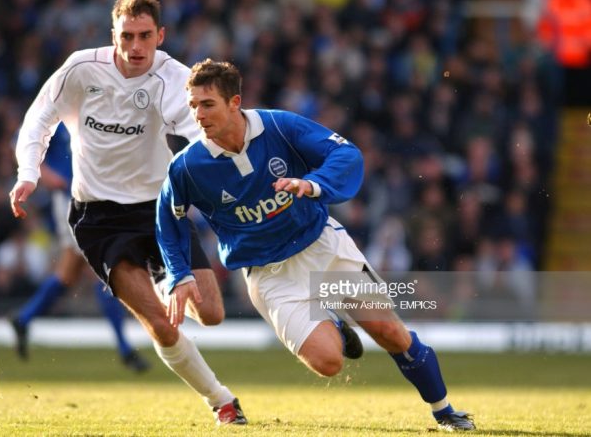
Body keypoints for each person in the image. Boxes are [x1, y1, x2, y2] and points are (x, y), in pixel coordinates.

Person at [156, 59, 476, 432]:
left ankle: (444, 410)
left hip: (322, 247)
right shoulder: (187, 167)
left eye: (207, 104)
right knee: (329, 362)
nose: (198, 114)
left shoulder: (278, 125)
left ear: (234, 102)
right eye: (192, 105)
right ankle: (338, 330)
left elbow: (346, 155)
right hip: (270, 275)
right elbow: (168, 218)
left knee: (390, 333)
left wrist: (311, 184)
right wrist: (179, 274)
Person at [9, 0, 246, 425]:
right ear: (113, 35)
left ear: (160, 36)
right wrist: (28, 172)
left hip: (159, 210)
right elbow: (37, 119)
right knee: (161, 323)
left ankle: (163, 280)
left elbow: (198, 134)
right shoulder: (81, 70)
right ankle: (222, 400)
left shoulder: (173, 78)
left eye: (144, 37)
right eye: (126, 37)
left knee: (211, 313)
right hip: (98, 218)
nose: (135, 47)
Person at [10, 123, 150, 372]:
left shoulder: (98, 110)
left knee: (68, 274)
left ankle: (24, 318)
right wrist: (47, 175)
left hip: (98, 200)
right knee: (105, 270)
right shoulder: (59, 110)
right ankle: (125, 348)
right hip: (73, 203)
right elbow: (22, 143)